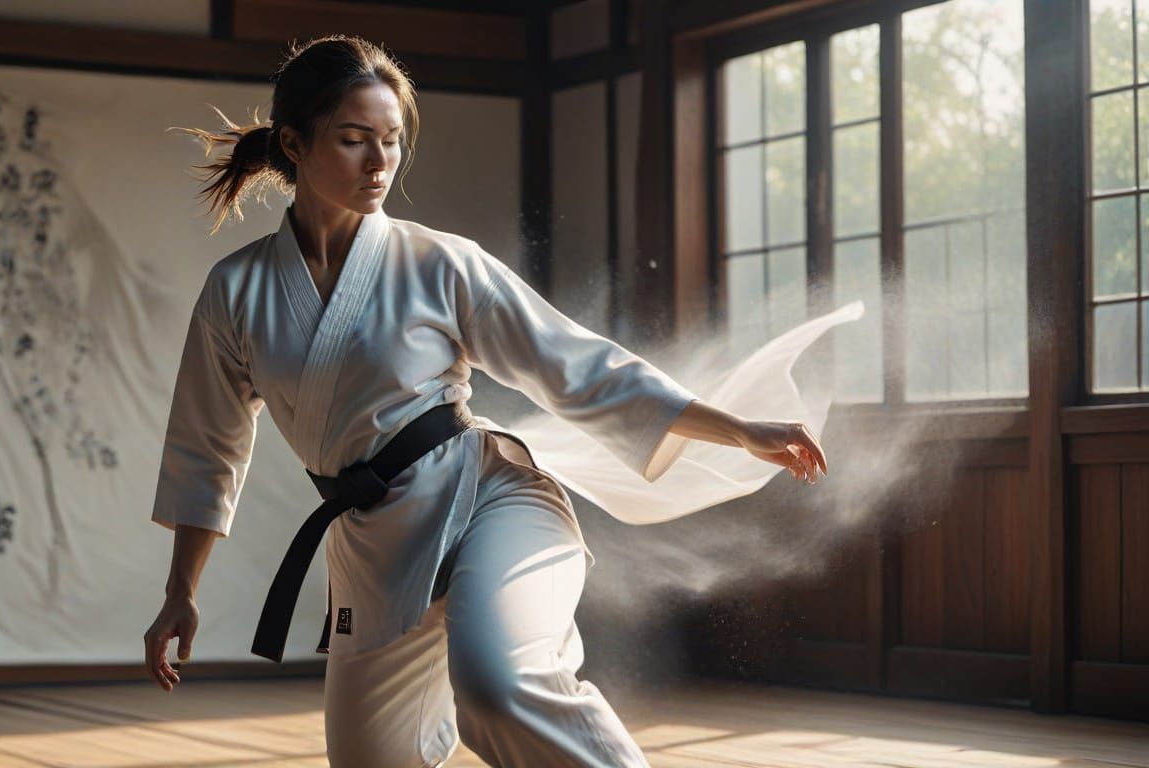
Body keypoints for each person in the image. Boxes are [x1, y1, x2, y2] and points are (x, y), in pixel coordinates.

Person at [143, 34, 828, 768]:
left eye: (391, 141)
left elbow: (575, 365)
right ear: (294, 142)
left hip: (490, 501)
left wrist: (738, 430)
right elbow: (207, 446)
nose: (379, 163)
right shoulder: (236, 292)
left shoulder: (438, 262)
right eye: (353, 140)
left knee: (498, 685)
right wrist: (181, 590)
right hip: (375, 547)